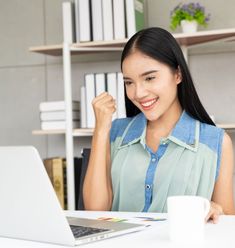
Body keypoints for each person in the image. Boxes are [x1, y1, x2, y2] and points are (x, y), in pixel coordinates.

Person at [83, 27, 235, 222]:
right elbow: (95, 211)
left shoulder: (216, 142)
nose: (138, 93)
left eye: (149, 78)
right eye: (129, 82)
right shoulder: (116, 132)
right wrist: (101, 129)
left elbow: (228, 224)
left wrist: (216, 210)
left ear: (177, 74)